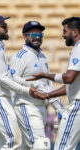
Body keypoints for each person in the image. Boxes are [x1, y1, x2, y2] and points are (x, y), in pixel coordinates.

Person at [0, 13, 39, 150]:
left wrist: (29, 84)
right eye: (3, 26)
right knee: (14, 141)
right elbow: (3, 79)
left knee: (1, 144)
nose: (7, 29)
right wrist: (27, 90)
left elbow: (8, 76)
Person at [10, 20, 65, 150]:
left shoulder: (43, 57)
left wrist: (58, 107)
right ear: (25, 36)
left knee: (28, 146)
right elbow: (11, 80)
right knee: (41, 144)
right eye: (33, 35)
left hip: (42, 108)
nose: (37, 38)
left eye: (40, 35)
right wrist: (33, 86)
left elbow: (47, 85)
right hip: (26, 105)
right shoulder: (20, 56)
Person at [27, 17, 80, 150]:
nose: (63, 35)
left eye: (65, 31)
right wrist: (48, 96)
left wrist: (45, 75)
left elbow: (69, 78)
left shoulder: (78, 49)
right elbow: (71, 86)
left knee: (62, 148)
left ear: (74, 32)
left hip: (77, 106)